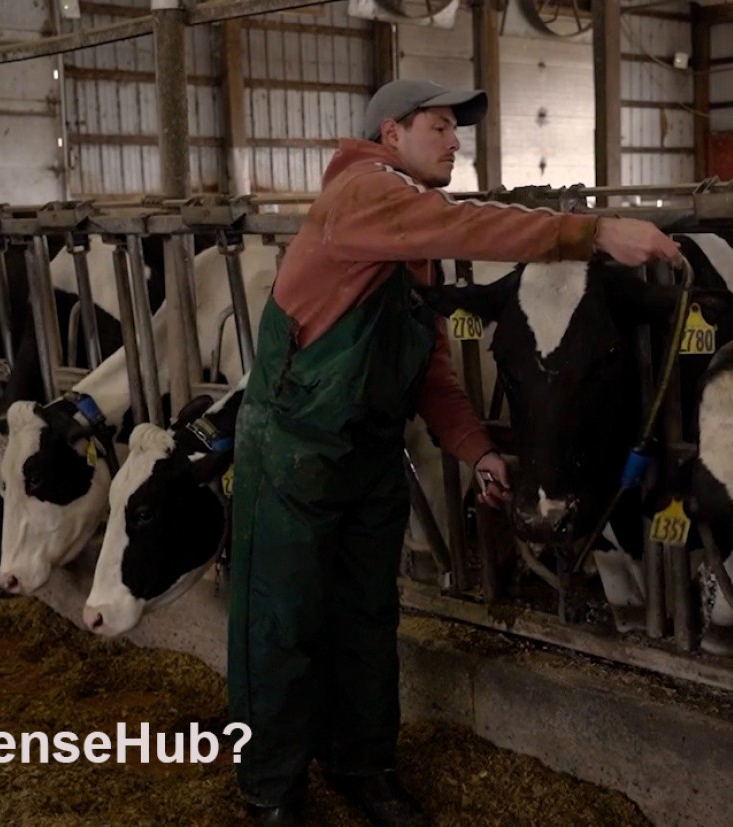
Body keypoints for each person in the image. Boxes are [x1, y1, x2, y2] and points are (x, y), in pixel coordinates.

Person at [227, 78, 682, 827]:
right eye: (438, 126)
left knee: (369, 615)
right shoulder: (362, 194)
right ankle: (271, 787)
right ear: (388, 135)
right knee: (282, 620)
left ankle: (362, 764)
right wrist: (591, 232)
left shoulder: (409, 245)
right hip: (294, 452)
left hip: (367, 455)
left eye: (454, 128)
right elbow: (470, 226)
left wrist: (476, 450)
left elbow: (430, 368)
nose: (454, 141)